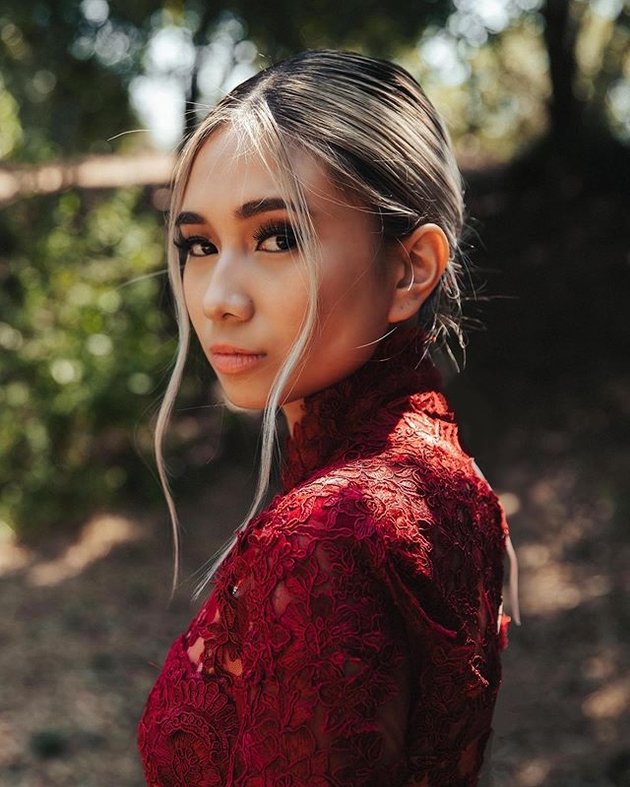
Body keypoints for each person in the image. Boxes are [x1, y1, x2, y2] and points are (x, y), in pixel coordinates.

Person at [137, 49, 520, 786]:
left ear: (411, 268)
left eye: (277, 237)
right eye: (198, 244)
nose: (219, 296)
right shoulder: (438, 467)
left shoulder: (330, 530)